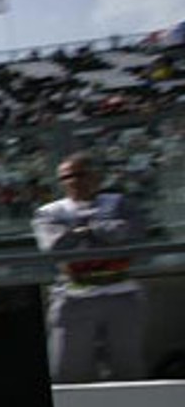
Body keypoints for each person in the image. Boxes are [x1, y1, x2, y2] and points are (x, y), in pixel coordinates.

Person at [32, 152, 148, 382]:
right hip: (74, 297)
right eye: (66, 177)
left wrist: (83, 230)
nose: (74, 181)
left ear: (96, 176)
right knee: (68, 370)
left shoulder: (120, 203)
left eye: (80, 174)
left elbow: (131, 234)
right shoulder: (49, 212)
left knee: (128, 368)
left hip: (121, 294)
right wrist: (102, 229)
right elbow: (54, 246)